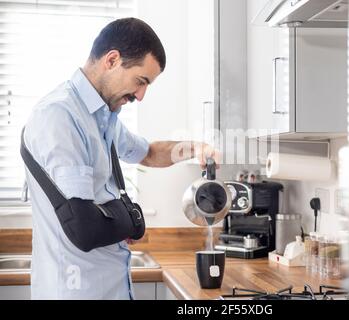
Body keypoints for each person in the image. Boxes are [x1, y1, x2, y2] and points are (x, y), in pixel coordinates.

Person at [23, 17, 219, 299]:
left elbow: (149, 153)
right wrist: (129, 221)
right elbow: (84, 226)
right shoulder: (60, 116)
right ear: (112, 60)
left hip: (110, 288)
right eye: (140, 81)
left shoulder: (103, 118)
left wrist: (197, 148)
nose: (140, 96)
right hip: (77, 291)